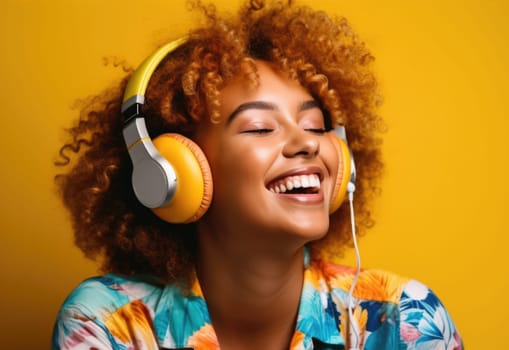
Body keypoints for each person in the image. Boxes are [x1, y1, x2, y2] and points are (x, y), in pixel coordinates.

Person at [52, 0, 463, 349]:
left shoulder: (403, 319)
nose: (307, 143)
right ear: (171, 170)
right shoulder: (109, 323)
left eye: (317, 125)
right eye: (260, 128)